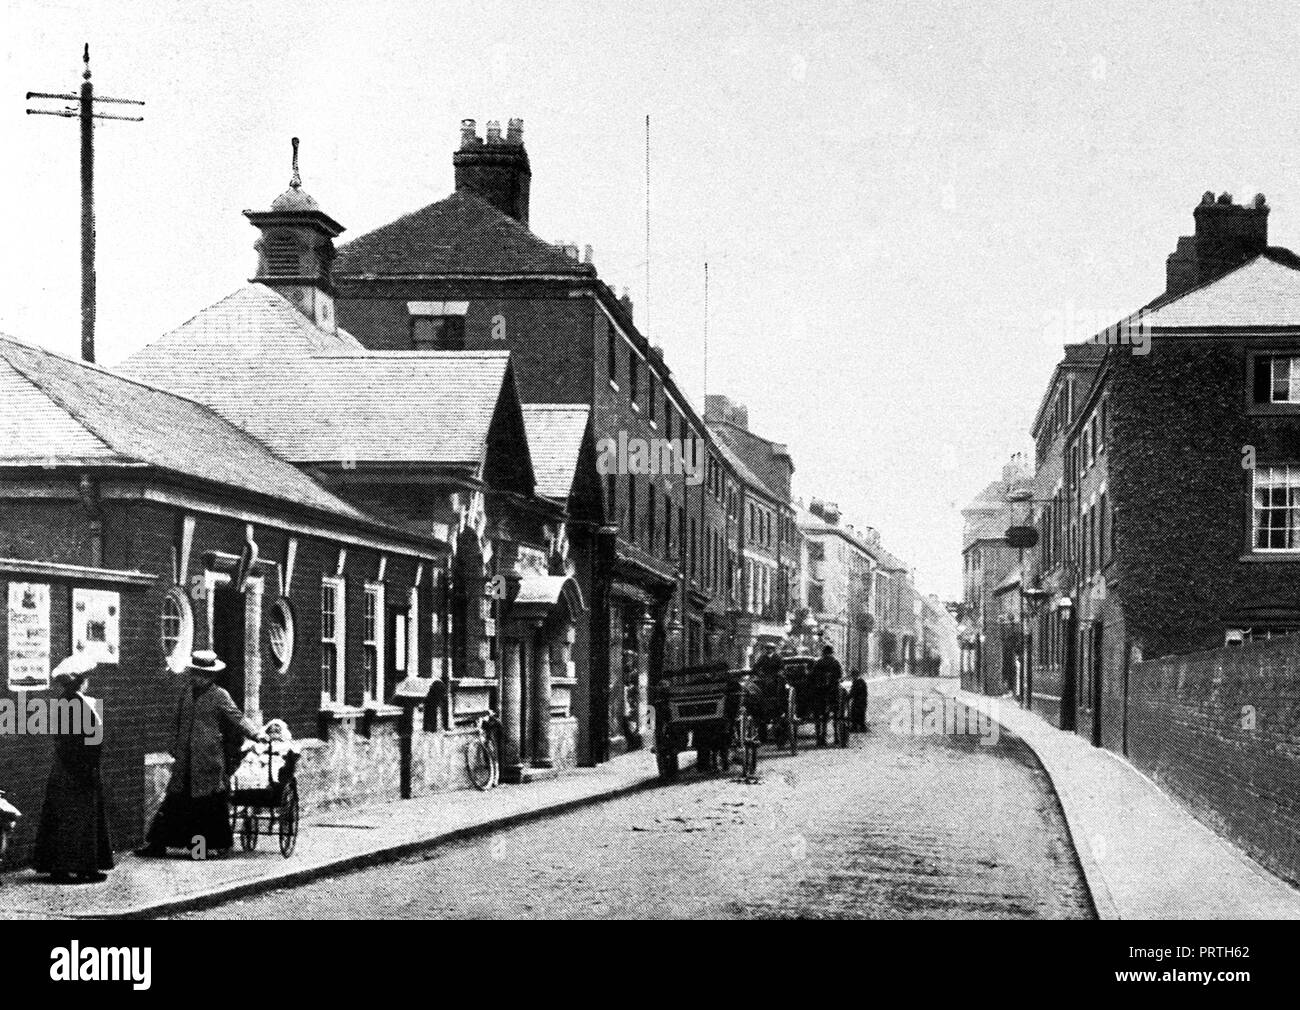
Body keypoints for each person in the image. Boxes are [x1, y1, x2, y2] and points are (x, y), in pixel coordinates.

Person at [136, 650, 264, 858]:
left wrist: (256, 734)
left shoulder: (219, 695)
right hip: (185, 760)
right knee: (174, 802)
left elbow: (237, 717)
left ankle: (200, 850)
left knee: (205, 807)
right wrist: (173, 745)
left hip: (207, 760)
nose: (195, 677)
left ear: (210, 676)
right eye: (194, 672)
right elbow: (176, 722)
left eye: (200, 674)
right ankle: (157, 845)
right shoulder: (186, 693)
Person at [32, 653, 114, 882]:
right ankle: (77, 867)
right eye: (86, 678)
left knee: (64, 816)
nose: (88, 682)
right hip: (79, 769)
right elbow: (87, 740)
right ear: (81, 681)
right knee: (79, 818)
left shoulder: (63, 702)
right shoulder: (79, 704)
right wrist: (89, 769)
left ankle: (67, 866)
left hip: (64, 768)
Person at [848, 667, 869, 732]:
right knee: (861, 713)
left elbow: (853, 692)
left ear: (855, 675)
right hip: (862, 701)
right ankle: (861, 726)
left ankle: (855, 727)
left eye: (853, 675)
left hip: (859, 701)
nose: (852, 677)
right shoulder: (861, 681)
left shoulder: (858, 682)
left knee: (855, 713)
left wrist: (847, 697)